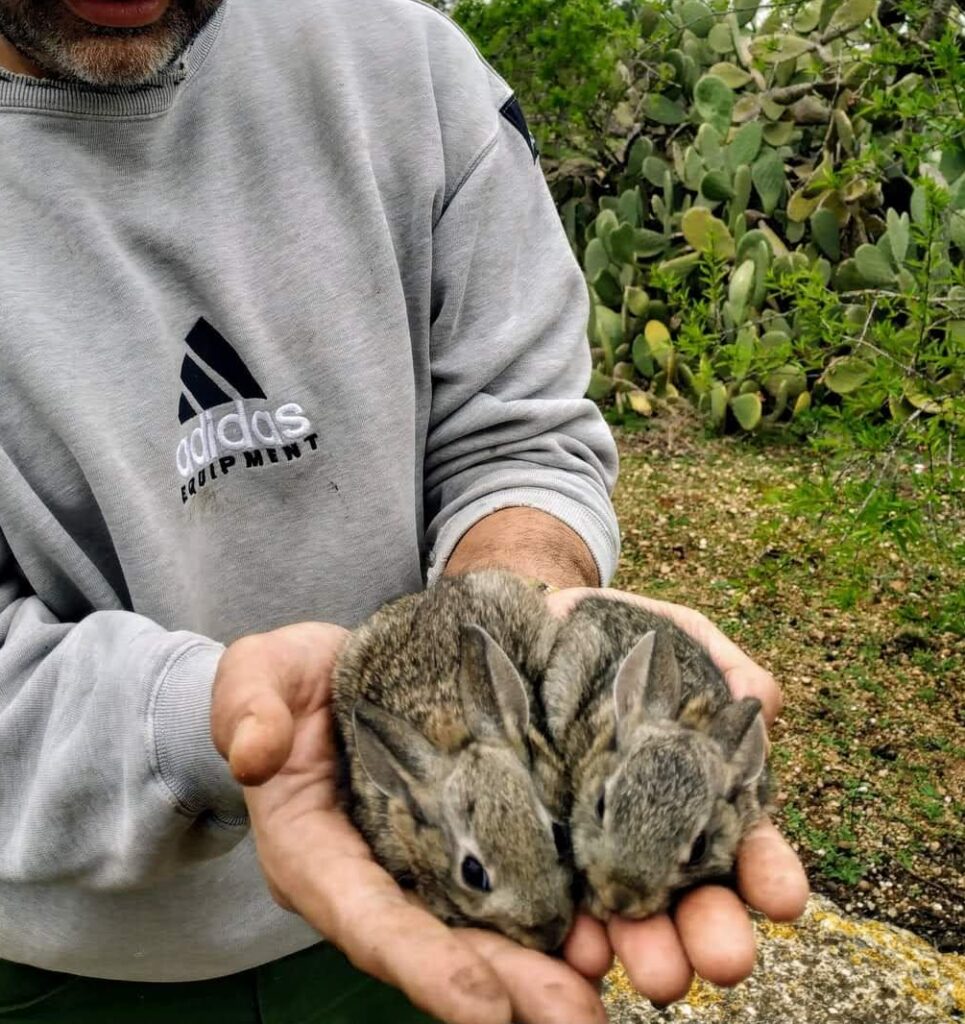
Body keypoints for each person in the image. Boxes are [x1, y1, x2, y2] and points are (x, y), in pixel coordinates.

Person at [0, 1, 810, 1021]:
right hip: (64, 955)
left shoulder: (405, 66)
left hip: (445, 907)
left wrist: (517, 609)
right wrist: (202, 721)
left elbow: (515, 429)